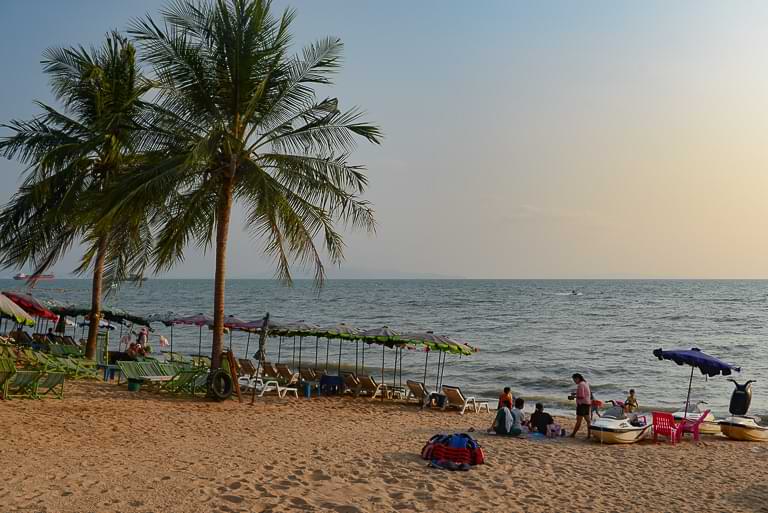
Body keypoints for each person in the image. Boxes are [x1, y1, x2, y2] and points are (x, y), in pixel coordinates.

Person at [570, 373, 591, 438]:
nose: (574, 381)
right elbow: (586, 393)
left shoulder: (580, 385)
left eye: (574, 380)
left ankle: (573, 434)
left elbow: (581, 396)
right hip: (587, 403)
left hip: (581, 404)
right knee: (588, 420)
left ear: (577, 378)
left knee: (579, 420)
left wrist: (573, 397)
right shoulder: (585, 383)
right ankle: (589, 435)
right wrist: (576, 393)